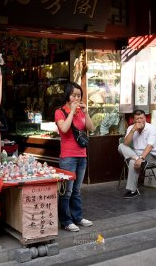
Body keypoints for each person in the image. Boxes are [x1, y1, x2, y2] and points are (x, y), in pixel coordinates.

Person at [54, 81, 95, 232]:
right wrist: (71, 111)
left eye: (79, 95)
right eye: (74, 95)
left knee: (77, 190)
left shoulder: (81, 112)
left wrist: (86, 112)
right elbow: (64, 128)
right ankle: (66, 220)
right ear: (67, 96)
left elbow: (91, 128)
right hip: (68, 157)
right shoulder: (60, 112)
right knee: (67, 191)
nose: (77, 98)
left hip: (82, 155)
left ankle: (77, 217)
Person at [118, 109, 156, 199]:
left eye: (141, 118)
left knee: (132, 162)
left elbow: (150, 146)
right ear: (134, 120)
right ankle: (137, 159)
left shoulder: (151, 128)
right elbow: (126, 144)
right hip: (136, 154)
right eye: (137, 119)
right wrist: (133, 130)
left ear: (145, 119)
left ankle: (133, 191)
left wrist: (142, 158)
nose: (139, 120)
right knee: (120, 146)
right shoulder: (131, 128)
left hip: (149, 155)